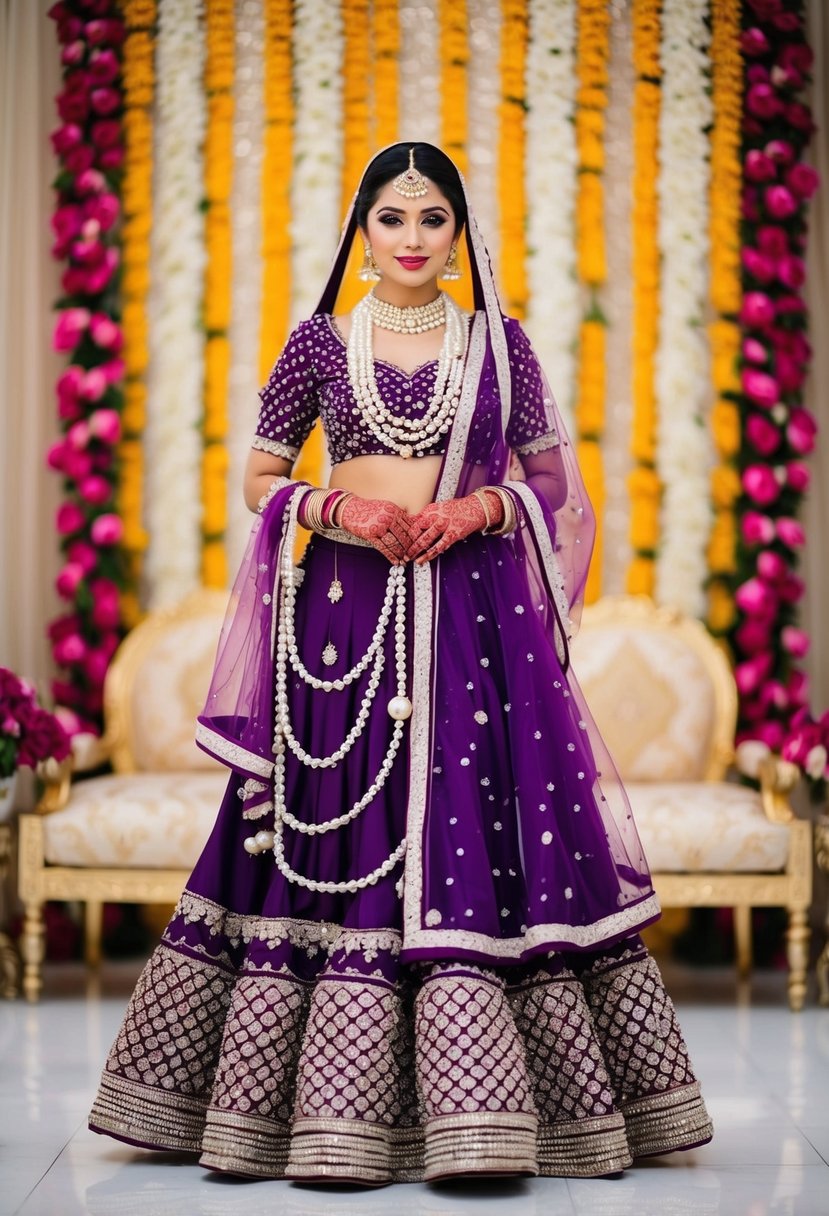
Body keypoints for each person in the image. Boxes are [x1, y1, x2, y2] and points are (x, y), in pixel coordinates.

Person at [89, 143, 713, 1185]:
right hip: (345, 619)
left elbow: (556, 488)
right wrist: (343, 507)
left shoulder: (501, 345)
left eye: (432, 219)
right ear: (363, 231)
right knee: (340, 827)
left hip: (473, 621)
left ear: (458, 232)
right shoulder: (319, 343)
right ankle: (300, 1116)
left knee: (464, 823)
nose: (413, 239)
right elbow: (259, 477)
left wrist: (480, 505)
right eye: (393, 218)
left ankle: (488, 1116)